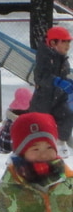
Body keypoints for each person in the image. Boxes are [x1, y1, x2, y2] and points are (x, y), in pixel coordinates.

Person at [30, 26, 73, 157]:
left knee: (67, 115)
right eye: (64, 42)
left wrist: (68, 83)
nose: (68, 46)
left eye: (69, 42)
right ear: (53, 43)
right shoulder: (44, 57)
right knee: (41, 124)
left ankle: (61, 142)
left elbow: (64, 75)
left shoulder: (62, 59)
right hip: (44, 99)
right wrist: (58, 82)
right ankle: (37, 148)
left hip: (59, 98)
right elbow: (40, 77)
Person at [0, 87, 33, 154]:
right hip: (13, 147)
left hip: (2, 144)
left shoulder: (11, 114)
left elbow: (4, 125)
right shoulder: (24, 119)